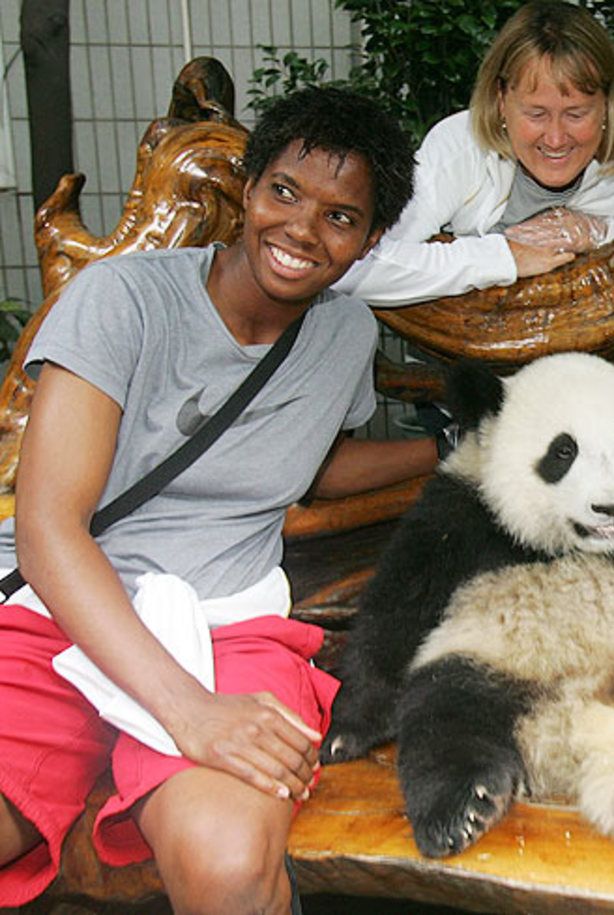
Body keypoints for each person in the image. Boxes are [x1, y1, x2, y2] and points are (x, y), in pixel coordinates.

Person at [0, 85, 437, 913]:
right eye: (285, 192)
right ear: (247, 188)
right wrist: (188, 711)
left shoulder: (346, 332)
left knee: (229, 867)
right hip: (70, 609)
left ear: (371, 239)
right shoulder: (122, 298)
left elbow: (311, 463)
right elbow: (50, 529)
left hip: (227, 619)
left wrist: (447, 448)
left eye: (341, 217)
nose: (302, 229)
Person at [333, 0, 614, 308]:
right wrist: (503, 257)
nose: (556, 138)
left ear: (607, 103)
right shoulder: (459, 146)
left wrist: (603, 232)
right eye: (536, 114)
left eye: (576, 114)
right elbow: (352, 265)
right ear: (501, 100)